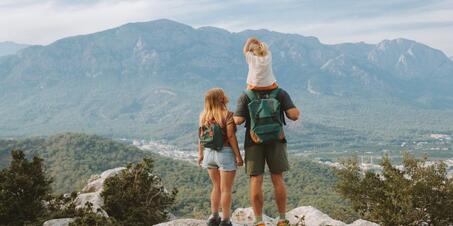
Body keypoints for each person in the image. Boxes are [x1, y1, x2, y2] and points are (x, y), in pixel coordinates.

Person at [234, 38, 300, 226]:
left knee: (256, 180)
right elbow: (294, 115)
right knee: (277, 178)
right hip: (276, 140)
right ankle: (282, 218)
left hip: (253, 141)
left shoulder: (246, 96)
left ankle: (258, 221)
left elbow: (238, 121)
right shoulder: (280, 93)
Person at [198, 88, 244, 226]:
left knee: (216, 186)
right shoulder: (228, 115)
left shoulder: (204, 116)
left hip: (209, 154)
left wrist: (200, 155)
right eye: (223, 94)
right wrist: (238, 156)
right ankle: (225, 220)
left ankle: (213, 217)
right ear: (220, 99)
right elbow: (230, 136)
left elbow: (200, 138)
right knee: (226, 189)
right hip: (225, 153)